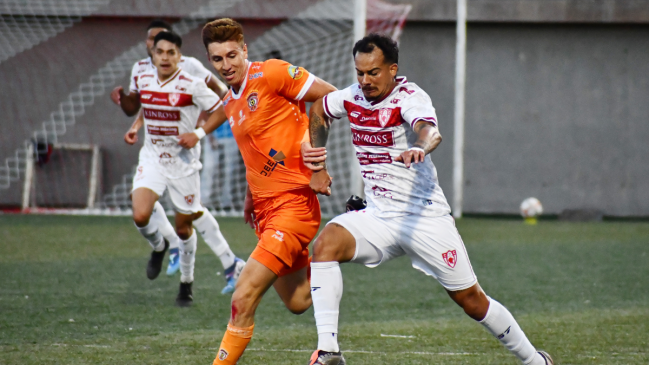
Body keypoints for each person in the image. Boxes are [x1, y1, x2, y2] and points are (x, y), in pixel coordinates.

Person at [302, 33, 554, 365]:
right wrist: (318, 166)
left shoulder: (410, 97)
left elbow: (429, 130)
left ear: (392, 69)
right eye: (359, 73)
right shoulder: (351, 97)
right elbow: (319, 107)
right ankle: (329, 352)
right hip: (379, 216)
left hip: (423, 217)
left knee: (471, 300)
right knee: (326, 245)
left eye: (373, 72)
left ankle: (536, 362)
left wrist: (418, 148)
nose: (365, 81)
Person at [201, 18, 337, 364]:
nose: (226, 65)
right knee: (298, 302)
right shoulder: (232, 101)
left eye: (232, 55)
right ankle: (332, 255)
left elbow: (330, 97)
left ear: (244, 49)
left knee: (242, 297)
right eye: (217, 59)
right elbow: (256, 153)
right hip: (265, 210)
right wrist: (250, 196)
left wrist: (316, 161)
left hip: (294, 206)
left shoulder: (272, 73)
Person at [124, 31, 244, 306]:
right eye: (159, 52)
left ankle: (186, 284)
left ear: (180, 56)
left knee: (183, 228)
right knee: (141, 215)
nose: (165, 58)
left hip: (183, 163)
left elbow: (224, 107)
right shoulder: (143, 77)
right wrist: (134, 128)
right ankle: (159, 245)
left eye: (171, 52)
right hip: (153, 157)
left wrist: (198, 134)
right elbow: (147, 104)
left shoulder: (191, 83)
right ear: (152, 55)